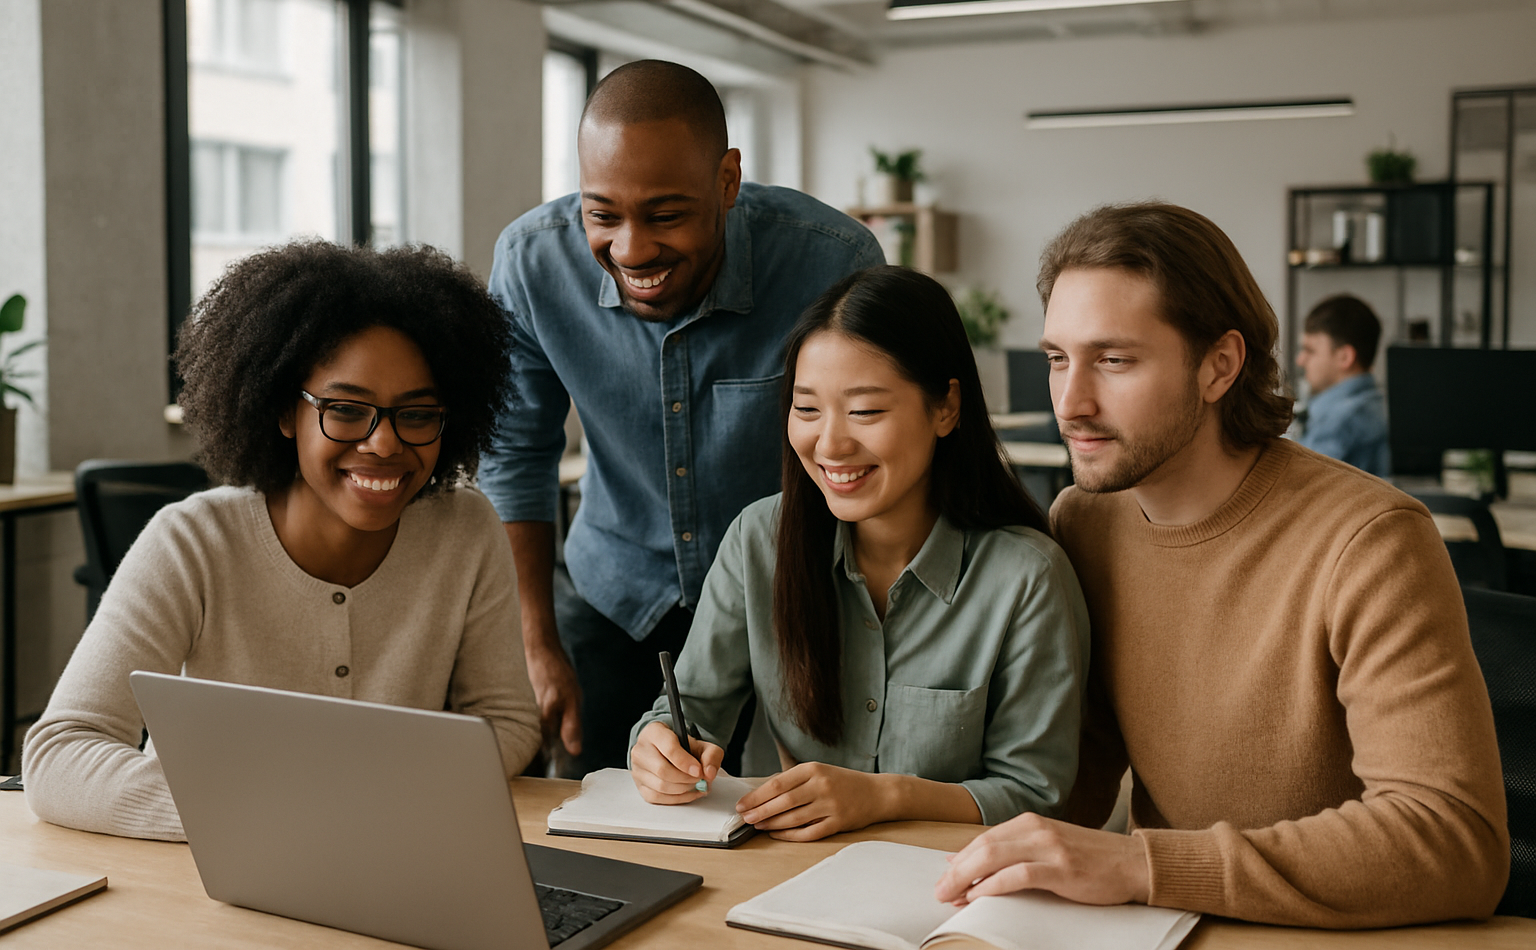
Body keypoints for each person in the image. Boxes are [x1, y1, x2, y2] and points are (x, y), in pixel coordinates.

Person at [934, 203, 1508, 927]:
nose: (1070, 402)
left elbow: (1456, 842)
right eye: (1057, 358)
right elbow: (1072, 775)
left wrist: (1144, 863)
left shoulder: (1371, 540)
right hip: (1166, 927)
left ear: (1219, 366)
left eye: (1114, 360)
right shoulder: (1086, 519)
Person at [24, 241, 541, 841]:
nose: (384, 444)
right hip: (198, 883)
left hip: (384, 866)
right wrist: (270, 815)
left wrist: (369, 799)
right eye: (346, 410)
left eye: (417, 414)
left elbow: (506, 722)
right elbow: (59, 754)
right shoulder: (192, 542)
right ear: (283, 412)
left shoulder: (466, 530)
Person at [481, 59, 884, 777]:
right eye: (602, 214)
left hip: (791, 593)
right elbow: (515, 456)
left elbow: (877, 449)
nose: (631, 250)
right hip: (615, 595)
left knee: (795, 825)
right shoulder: (532, 263)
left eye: (666, 215)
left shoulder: (833, 263)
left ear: (726, 181)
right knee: (598, 821)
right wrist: (534, 641)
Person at [628, 267, 1089, 841]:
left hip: (954, 890)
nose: (831, 444)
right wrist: (658, 748)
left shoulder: (1026, 578)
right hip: (785, 875)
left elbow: (1037, 796)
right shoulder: (758, 541)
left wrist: (885, 796)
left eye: (866, 411)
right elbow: (689, 710)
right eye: (807, 409)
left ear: (946, 407)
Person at [1294, 294, 1389, 476]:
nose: (1300, 360)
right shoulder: (1373, 404)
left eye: (1310, 350)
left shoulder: (1341, 420)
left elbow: (1297, 489)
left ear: (1344, 357)